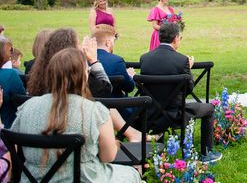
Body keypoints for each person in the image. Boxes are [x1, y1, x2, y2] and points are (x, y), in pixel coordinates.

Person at [11, 48, 141, 182]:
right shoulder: (95, 111)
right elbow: (108, 157)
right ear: (84, 76)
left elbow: (15, 147)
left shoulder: (26, 107)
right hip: (84, 178)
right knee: (132, 173)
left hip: (33, 178)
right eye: (88, 71)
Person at [140, 23, 221, 162]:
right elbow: (188, 89)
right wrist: (188, 68)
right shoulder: (182, 60)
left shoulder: (145, 58)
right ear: (176, 38)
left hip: (151, 114)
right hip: (176, 114)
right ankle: (206, 153)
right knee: (209, 108)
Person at [27, 28, 112, 98]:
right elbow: (105, 90)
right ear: (70, 49)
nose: (81, 47)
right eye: (78, 44)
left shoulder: (38, 69)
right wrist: (94, 61)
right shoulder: (75, 70)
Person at [94, 26, 135, 98]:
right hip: (114, 105)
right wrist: (130, 76)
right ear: (108, 42)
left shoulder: (80, 59)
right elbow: (129, 88)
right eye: (113, 41)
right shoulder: (116, 61)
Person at [0, 37, 26, 128]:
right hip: (8, 129)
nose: (12, 52)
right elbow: (23, 101)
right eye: (10, 50)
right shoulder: (10, 75)